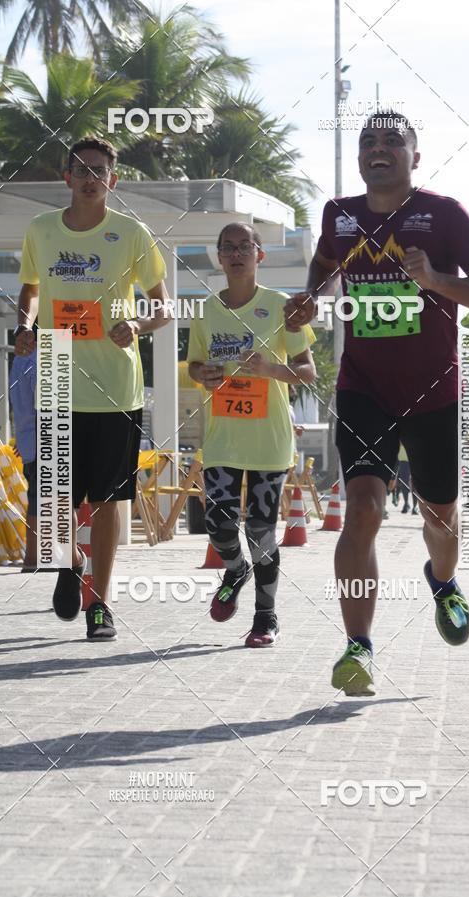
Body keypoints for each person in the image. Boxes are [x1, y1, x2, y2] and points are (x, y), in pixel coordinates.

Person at [285, 110, 469, 695]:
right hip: (363, 387)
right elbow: (323, 266)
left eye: (392, 142)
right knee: (362, 508)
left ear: (416, 155)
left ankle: (443, 582)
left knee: (440, 516)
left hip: (434, 391)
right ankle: (357, 647)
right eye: (368, 142)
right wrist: (311, 297)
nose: (378, 150)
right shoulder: (340, 215)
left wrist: (436, 279)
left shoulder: (446, 214)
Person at [15, 136, 171, 640]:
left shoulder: (131, 233)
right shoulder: (40, 230)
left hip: (115, 385)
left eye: (99, 170)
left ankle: (100, 603)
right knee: (55, 499)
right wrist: (24, 325)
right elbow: (31, 288)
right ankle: (66, 564)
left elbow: (163, 306)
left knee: (106, 501)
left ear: (113, 180)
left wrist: (138, 327)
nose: (90, 177)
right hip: (58, 368)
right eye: (81, 169)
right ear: (67, 176)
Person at [187, 222, 316, 646]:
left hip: (268, 438)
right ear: (219, 257)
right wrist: (202, 373)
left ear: (260, 255)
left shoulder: (282, 306)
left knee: (261, 530)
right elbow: (195, 365)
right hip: (223, 436)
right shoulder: (205, 310)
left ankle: (266, 616)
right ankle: (234, 568)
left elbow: (308, 372)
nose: (238, 253)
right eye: (229, 247)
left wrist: (270, 370)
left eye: (246, 246)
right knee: (218, 523)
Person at [9, 345, 38, 571]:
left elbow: (20, 404)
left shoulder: (19, 358)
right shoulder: (39, 357)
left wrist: (22, 436)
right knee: (42, 497)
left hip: (29, 439)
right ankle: (34, 556)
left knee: (35, 495)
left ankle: (33, 555)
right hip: (43, 439)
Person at [394, 443, 418, 514]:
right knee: (404, 484)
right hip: (403, 459)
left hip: (416, 459)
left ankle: (415, 506)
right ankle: (406, 503)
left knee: (415, 484)